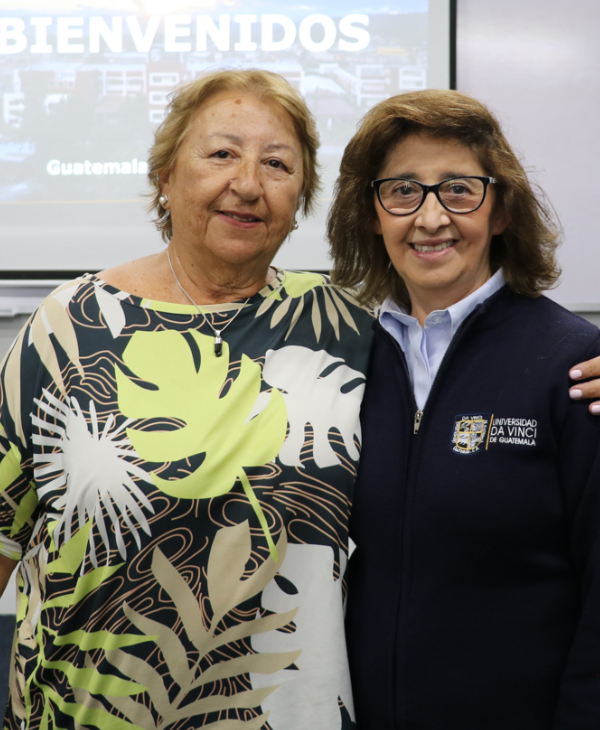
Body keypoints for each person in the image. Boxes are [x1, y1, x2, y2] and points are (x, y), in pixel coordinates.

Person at [0, 69, 374, 730]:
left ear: (300, 198)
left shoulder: (345, 331)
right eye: (222, 153)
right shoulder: (67, 326)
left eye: (278, 164)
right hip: (83, 710)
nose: (249, 184)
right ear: (166, 178)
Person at [329, 89, 600, 729]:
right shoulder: (344, 367)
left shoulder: (576, 365)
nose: (429, 218)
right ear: (372, 212)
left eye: (458, 190)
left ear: (500, 209)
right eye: (402, 191)